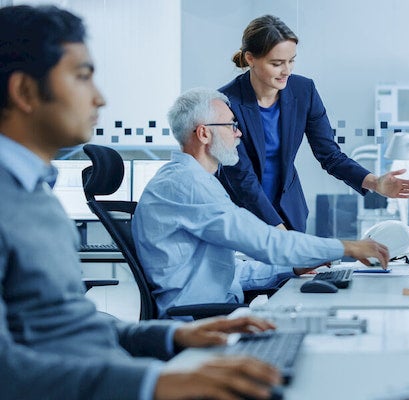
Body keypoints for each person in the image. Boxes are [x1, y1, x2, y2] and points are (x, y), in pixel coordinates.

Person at [0, 5, 285, 399]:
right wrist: (153, 383)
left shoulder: (36, 197)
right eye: (82, 77)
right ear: (25, 92)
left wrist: (175, 335)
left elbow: (72, 325)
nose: (100, 98)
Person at [132, 88, 390, 318]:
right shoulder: (187, 186)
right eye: (231, 125)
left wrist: (293, 266)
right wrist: (347, 247)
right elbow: (264, 243)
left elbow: (230, 273)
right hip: (200, 321)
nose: (239, 133)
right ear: (204, 133)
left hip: (215, 310)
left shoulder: (197, 181)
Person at [217, 14, 409, 232]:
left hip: (289, 212)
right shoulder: (226, 102)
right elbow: (242, 178)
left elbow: (330, 155)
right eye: (276, 63)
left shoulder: (303, 91)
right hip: (243, 214)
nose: (287, 70)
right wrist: (285, 241)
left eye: (291, 60)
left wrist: (375, 182)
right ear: (250, 59)